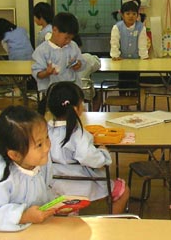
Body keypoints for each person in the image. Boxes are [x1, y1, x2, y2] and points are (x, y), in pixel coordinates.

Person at [46, 82, 129, 214]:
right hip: (79, 186)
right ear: (75, 109)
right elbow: (92, 159)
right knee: (123, 191)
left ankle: (68, 214)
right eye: (82, 102)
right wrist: (103, 152)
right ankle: (112, 222)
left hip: (52, 185)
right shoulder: (77, 134)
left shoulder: (44, 130)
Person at [32, 12, 85, 96]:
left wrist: (78, 64)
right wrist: (47, 72)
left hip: (72, 88)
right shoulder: (42, 50)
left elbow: (81, 63)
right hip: (52, 91)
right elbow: (37, 73)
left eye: (71, 39)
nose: (68, 41)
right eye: (66, 38)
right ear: (55, 30)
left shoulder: (73, 46)